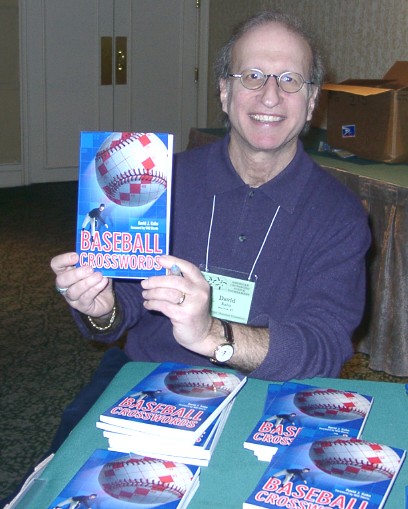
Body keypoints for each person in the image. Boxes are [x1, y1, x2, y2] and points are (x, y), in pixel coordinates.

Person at [51, 10, 370, 429]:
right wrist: (101, 306)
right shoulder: (161, 183)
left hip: (270, 394)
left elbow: (323, 346)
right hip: (151, 380)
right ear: (223, 91)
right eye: (252, 76)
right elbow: (117, 314)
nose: (270, 96)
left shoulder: (339, 215)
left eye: (290, 80)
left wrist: (212, 335)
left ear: (312, 102)